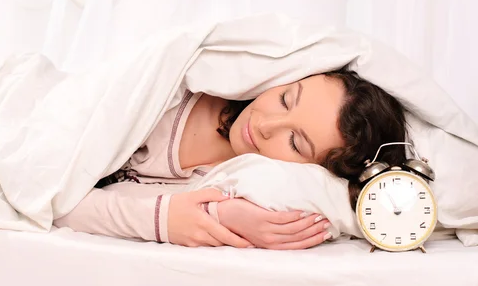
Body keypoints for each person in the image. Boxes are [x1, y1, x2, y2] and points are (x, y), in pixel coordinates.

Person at [54, 68, 407, 250]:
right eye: (285, 99)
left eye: (295, 142)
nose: (265, 125)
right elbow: (49, 193)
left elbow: (68, 207)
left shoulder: (235, 183)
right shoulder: (178, 94)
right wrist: (170, 220)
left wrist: (219, 216)